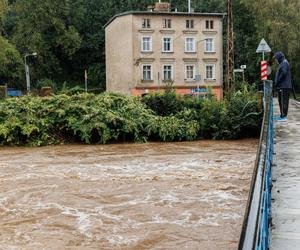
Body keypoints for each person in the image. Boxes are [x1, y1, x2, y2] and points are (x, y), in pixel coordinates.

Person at [273, 51, 292, 121]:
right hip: (283, 86)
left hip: (284, 86)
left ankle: (283, 116)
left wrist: (278, 81)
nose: (276, 60)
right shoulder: (283, 63)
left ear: (279, 58)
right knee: (281, 101)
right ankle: (282, 115)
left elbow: (284, 73)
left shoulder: (284, 63)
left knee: (283, 101)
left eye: (276, 58)